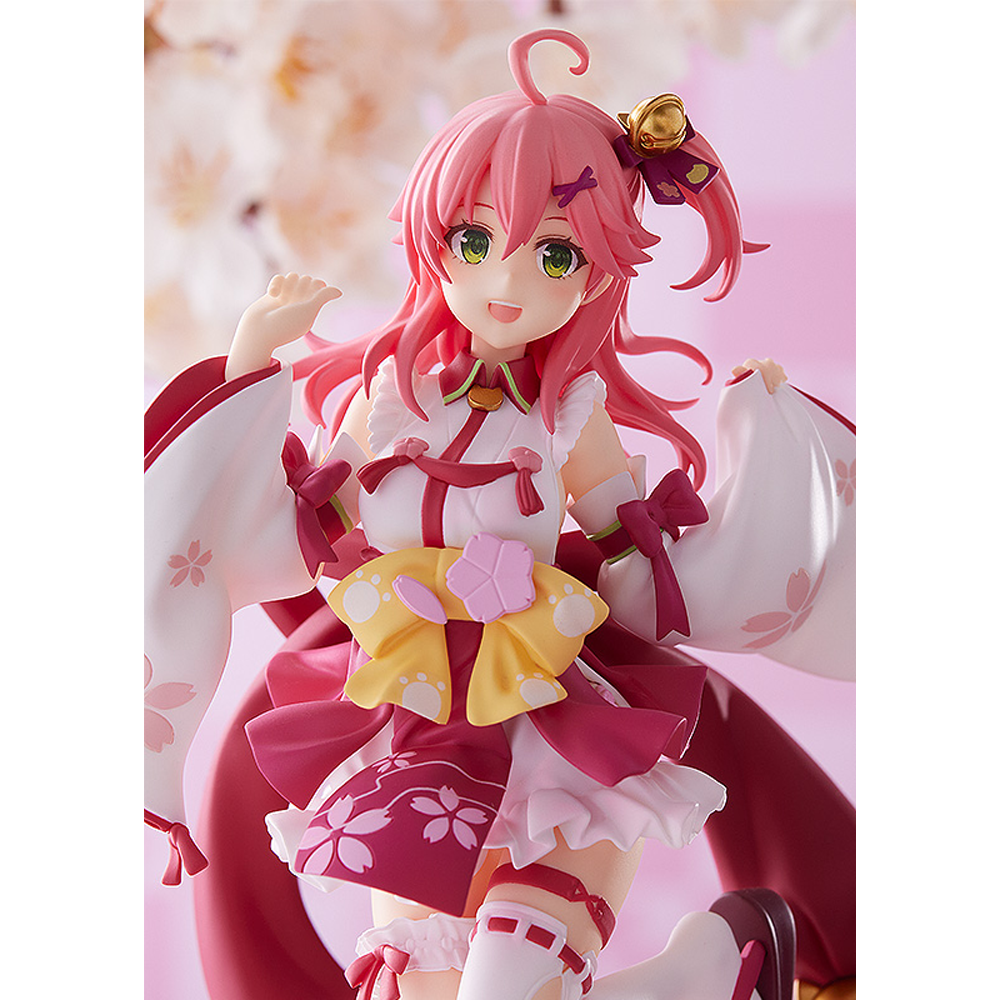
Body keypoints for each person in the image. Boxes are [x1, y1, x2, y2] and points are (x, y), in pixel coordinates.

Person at [145, 28, 855, 1000]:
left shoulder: (569, 413)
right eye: (472, 242)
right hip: (405, 715)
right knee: (419, 985)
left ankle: (710, 967)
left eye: (553, 254)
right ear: (430, 241)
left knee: (509, 979)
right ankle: (711, 971)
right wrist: (248, 364)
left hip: (545, 711)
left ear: (598, 273)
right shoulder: (387, 396)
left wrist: (766, 472)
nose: (506, 283)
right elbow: (302, 530)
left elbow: (632, 556)